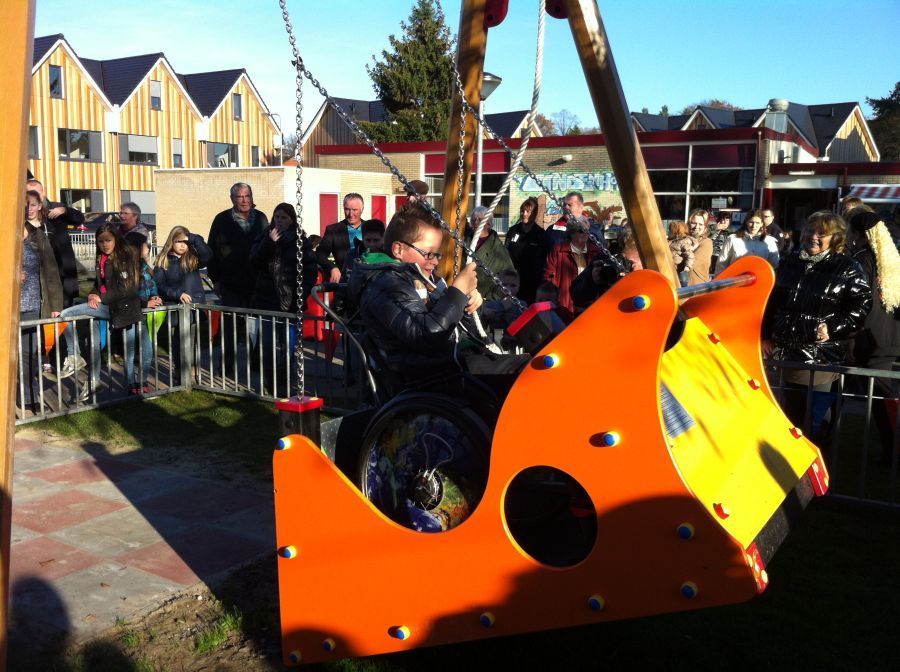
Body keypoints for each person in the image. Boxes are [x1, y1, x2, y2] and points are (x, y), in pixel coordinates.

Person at [348, 201, 526, 400]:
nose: (435, 260)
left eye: (437, 254)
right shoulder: (385, 285)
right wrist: (457, 293)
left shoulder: (416, 279)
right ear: (398, 250)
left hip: (448, 364)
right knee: (527, 371)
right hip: (432, 375)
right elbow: (427, 335)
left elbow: (451, 327)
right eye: (428, 253)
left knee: (533, 366)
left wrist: (468, 305)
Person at [762, 212, 872, 443]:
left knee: (812, 420)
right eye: (810, 231)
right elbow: (771, 302)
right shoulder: (790, 261)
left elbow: (861, 305)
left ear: (836, 238)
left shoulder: (847, 267)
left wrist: (832, 327)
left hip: (820, 357)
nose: (813, 237)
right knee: (787, 417)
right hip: (784, 354)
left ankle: (814, 469)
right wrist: (765, 336)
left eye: (822, 233)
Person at [58, 224, 162, 396]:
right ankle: (86, 369)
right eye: (101, 241)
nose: (104, 244)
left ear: (116, 239)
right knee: (86, 334)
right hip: (108, 307)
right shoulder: (101, 258)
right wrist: (93, 294)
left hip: (123, 308)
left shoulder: (122, 258)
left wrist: (102, 298)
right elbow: (99, 285)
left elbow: (128, 288)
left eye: (108, 240)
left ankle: (136, 384)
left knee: (139, 348)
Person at [845, 206, 900, 463]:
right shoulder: (890, 258)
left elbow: (860, 303)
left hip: (872, 337)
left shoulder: (863, 260)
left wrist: (852, 338)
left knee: (882, 397)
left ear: (859, 234)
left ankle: (892, 450)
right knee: (881, 395)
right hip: (889, 335)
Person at [248, 203, 319, 396]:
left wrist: (301, 293)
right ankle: (271, 383)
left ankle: (286, 383)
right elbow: (254, 262)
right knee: (269, 346)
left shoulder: (300, 241)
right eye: (276, 217)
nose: (279, 221)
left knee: (288, 347)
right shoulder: (265, 237)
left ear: (292, 220)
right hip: (267, 299)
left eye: (284, 218)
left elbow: (310, 270)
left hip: (290, 302)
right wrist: (269, 243)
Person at [207, 182, 268, 370]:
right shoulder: (222, 219)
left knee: (257, 326)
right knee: (230, 326)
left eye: (247, 196)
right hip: (230, 283)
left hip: (256, 283)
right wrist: (215, 279)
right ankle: (226, 366)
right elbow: (211, 252)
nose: (244, 200)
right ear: (232, 199)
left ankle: (258, 365)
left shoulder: (261, 219)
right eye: (240, 197)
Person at [19, 202, 63, 413]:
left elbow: (51, 272)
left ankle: (29, 397)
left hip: (33, 305)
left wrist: (55, 304)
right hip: (8, 307)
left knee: (30, 354)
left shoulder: (38, 236)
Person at [153, 226, 213, 380]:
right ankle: (180, 371)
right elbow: (159, 285)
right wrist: (177, 294)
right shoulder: (163, 261)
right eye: (178, 241)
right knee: (179, 340)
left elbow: (208, 255)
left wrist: (193, 238)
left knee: (194, 339)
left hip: (194, 305)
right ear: (171, 241)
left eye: (185, 242)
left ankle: (194, 371)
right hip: (176, 307)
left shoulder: (192, 258)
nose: (182, 245)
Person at [25, 179, 79, 307]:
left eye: (36, 192)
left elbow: (79, 218)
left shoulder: (55, 210)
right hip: (36, 276)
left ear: (42, 194)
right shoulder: (23, 215)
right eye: (29, 192)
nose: (33, 196)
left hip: (62, 272)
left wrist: (65, 210)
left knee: (63, 314)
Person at [543, 218, 601, 316]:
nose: (586, 234)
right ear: (571, 233)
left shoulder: (595, 251)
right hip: (564, 307)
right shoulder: (558, 251)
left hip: (590, 307)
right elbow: (548, 277)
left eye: (587, 231)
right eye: (581, 231)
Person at [505, 197, 550, 303]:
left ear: (534, 214)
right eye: (523, 211)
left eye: (528, 211)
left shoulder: (541, 235)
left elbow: (543, 260)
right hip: (514, 281)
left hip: (532, 283)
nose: (524, 214)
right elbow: (505, 253)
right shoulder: (513, 231)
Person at [467, 206, 515, 301]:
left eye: (480, 220)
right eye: (473, 220)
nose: (476, 222)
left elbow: (510, 277)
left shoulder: (499, 249)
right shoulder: (464, 243)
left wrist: (491, 298)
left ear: (488, 224)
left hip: (486, 303)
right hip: (463, 298)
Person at [317, 193, 366, 283]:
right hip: (344, 282)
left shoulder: (371, 228)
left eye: (355, 210)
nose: (351, 214)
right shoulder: (333, 230)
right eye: (347, 210)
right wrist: (332, 268)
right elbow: (320, 255)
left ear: (362, 209)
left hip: (369, 282)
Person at [686, 209, 714, 285]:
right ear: (688, 224)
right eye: (693, 223)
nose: (696, 227)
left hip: (695, 288)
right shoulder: (682, 240)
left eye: (701, 224)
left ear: (705, 228)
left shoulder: (706, 243)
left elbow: (691, 263)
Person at [667, 220, 696, 287]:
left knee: (682, 283)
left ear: (676, 232)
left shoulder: (682, 242)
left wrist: (687, 266)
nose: (668, 232)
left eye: (670, 230)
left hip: (680, 268)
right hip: (673, 267)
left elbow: (690, 255)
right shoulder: (672, 241)